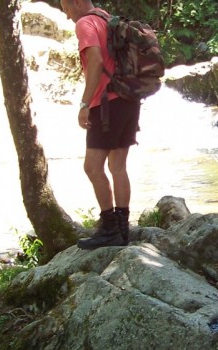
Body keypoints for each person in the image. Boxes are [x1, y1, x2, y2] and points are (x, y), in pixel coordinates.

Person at [61, 0, 140, 249]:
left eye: (66, 9)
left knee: (92, 167)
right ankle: (123, 230)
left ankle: (109, 229)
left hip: (106, 104)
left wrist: (85, 104)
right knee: (118, 166)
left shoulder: (85, 23)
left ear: (76, 2)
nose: (67, 16)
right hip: (129, 99)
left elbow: (94, 60)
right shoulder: (106, 18)